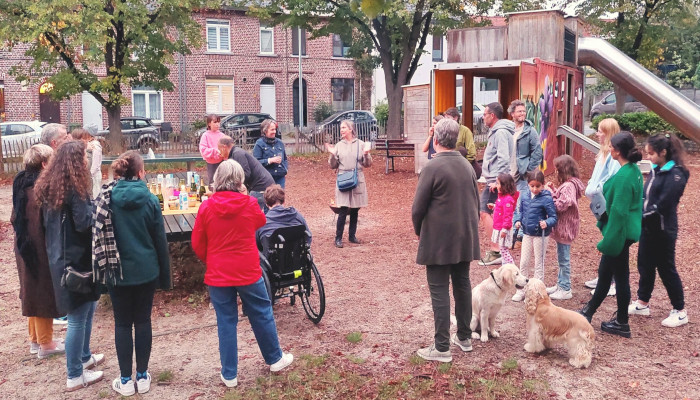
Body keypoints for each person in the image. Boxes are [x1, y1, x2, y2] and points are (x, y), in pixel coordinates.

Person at [191, 159, 293, 388]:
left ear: (217, 180)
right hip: (247, 269)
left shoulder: (206, 206)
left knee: (226, 321)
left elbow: (197, 243)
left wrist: (212, 259)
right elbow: (261, 220)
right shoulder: (248, 203)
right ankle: (274, 358)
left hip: (218, 272)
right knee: (261, 312)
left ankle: (229, 374)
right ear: (239, 181)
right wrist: (245, 194)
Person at [97, 151, 171, 396]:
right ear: (141, 173)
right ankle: (142, 375)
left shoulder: (106, 198)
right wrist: (165, 276)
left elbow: (96, 236)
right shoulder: (149, 200)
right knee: (142, 321)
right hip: (146, 270)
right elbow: (160, 239)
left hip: (116, 272)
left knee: (122, 323)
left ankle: (126, 379)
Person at [34, 140, 105, 391]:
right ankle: (74, 374)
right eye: (84, 157)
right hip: (75, 260)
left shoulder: (53, 186)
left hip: (61, 257)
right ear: (75, 162)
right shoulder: (74, 189)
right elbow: (84, 222)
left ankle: (84, 358)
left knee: (89, 308)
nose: (86, 161)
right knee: (77, 317)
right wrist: (99, 206)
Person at [412, 118, 480, 362]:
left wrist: (419, 230)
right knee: (462, 284)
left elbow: (417, 209)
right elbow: (476, 201)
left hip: (439, 238)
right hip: (465, 235)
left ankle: (441, 347)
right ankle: (464, 336)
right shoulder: (467, 166)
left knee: (439, 289)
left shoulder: (432, 167)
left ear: (437, 139)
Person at [578, 132, 643, 338]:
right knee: (609, 274)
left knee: (617, 276)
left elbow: (619, 212)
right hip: (626, 231)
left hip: (620, 233)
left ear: (618, 151)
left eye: (612, 146)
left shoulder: (624, 176)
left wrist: (609, 241)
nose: (609, 149)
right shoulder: (633, 170)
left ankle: (620, 322)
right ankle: (591, 313)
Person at [628, 133, 689, 328]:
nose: (648, 157)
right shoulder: (656, 169)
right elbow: (647, 199)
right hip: (648, 228)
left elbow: (663, 205)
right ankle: (643, 302)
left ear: (663, 152)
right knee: (644, 264)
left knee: (666, 268)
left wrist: (640, 217)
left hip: (663, 230)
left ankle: (679, 310)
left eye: (651, 154)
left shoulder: (676, 174)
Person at [11, 144, 65, 359]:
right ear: (44, 164)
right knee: (42, 292)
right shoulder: (38, 190)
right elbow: (38, 224)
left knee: (31, 291)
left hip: (24, 245)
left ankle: (36, 339)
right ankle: (46, 343)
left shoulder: (22, 183)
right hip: (37, 247)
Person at [583, 118, 621, 296]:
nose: (597, 134)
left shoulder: (613, 157)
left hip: (606, 202)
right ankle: (604, 277)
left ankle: (611, 282)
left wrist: (597, 190)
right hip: (598, 201)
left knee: (610, 241)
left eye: (600, 131)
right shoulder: (603, 154)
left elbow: (611, 179)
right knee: (606, 239)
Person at [325, 120, 372, 248]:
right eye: (341, 128)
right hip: (343, 178)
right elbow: (332, 165)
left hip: (357, 178)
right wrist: (332, 154)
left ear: (351, 129)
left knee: (355, 209)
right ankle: (338, 238)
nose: (342, 130)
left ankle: (352, 236)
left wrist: (366, 154)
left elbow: (367, 164)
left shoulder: (361, 144)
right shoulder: (339, 145)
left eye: (344, 128)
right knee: (343, 208)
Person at [478, 102, 515, 266]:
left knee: (484, 211)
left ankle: (496, 250)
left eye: (485, 114)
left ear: (492, 115)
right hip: (493, 179)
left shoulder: (500, 132)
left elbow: (503, 158)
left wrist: (497, 181)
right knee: (493, 212)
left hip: (495, 180)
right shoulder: (497, 131)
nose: (483, 116)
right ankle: (499, 248)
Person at [511, 170, 557, 302]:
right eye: (532, 186)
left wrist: (546, 222)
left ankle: (536, 292)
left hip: (540, 234)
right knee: (523, 262)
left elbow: (553, 217)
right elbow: (521, 212)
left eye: (538, 186)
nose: (535, 189)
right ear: (528, 184)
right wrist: (518, 221)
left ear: (543, 185)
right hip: (526, 233)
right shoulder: (525, 196)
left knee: (539, 262)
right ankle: (521, 290)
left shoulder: (546, 198)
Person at [544, 155, 585, 300]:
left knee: (563, 259)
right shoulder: (570, 184)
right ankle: (560, 284)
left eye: (557, 170)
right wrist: (554, 190)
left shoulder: (568, 185)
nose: (555, 172)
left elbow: (563, 204)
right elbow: (565, 198)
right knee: (561, 257)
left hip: (565, 228)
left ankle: (566, 287)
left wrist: (549, 197)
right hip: (565, 227)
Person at [508, 100, 542, 245]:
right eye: (519, 111)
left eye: (523, 111)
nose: (522, 113)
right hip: (508, 173)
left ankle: (520, 233)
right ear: (512, 114)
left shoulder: (530, 131)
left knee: (520, 203)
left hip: (522, 174)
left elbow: (537, 152)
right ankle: (511, 231)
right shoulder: (508, 130)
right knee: (509, 203)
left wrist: (528, 169)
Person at [218, 136, 275, 211]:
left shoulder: (237, 153)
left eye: (219, 149)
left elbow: (245, 174)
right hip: (261, 185)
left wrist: (234, 189)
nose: (219, 152)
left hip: (260, 187)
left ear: (224, 147)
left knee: (256, 214)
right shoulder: (235, 153)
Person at [256, 184, 312, 256]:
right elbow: (308, 236)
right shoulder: (296, 215)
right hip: (296, 259)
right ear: (283, 201)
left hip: (273, 262)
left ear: (266, 204)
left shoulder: (262, 222)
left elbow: (258, 245)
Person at [489, 173, 519, 265]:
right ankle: (505, 268)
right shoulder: (501, 197)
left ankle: (512, 268)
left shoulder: (508, 200)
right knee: (502, 250)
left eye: (498, 184)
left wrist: (505, 229)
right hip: (499, 227)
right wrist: (494, 207)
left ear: (504, 185)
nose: (496, 186)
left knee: (504, 250)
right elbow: (501, 209)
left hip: (503, 228)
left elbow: (508, 215)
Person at [444, 107, 480, 177]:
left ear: (455, 118)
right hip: (447, 167)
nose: (445, 120)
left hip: (461, 169)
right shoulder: (444, 131)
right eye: (445, 118)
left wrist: (463, 166)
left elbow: (471, 152)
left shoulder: (465, 131)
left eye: (448, 118)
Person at [254, 119, 288, 188]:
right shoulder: (259, 144)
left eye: (275, 129)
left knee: (279, 197)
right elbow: (255, 163)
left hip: (280, 177)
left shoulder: (280, 143)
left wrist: (285, 169)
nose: (274, 132)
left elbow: (285, 159)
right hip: (266, 178)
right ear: (265, 131)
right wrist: (270, 160)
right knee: (268, 197)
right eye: (272, 130)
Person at [72, 128, 103, 198]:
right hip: (87, 178)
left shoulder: (94, 147)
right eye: (84, 138)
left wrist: (91, 174)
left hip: (93, 176)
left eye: (86, 138)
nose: (86, 141)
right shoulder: (84, 149)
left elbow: (95, 163)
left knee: (94, 195)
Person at [199, 114, 226, 183]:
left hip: (222, 163)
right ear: (209, 124)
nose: (217, 124)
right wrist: (215, 151)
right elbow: (203, 150)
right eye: (215, 122)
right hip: (211, 164)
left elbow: (227, 148)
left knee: (223, 181)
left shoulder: (222, 136)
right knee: (213, 182)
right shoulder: (205, 135)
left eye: (218, 122)